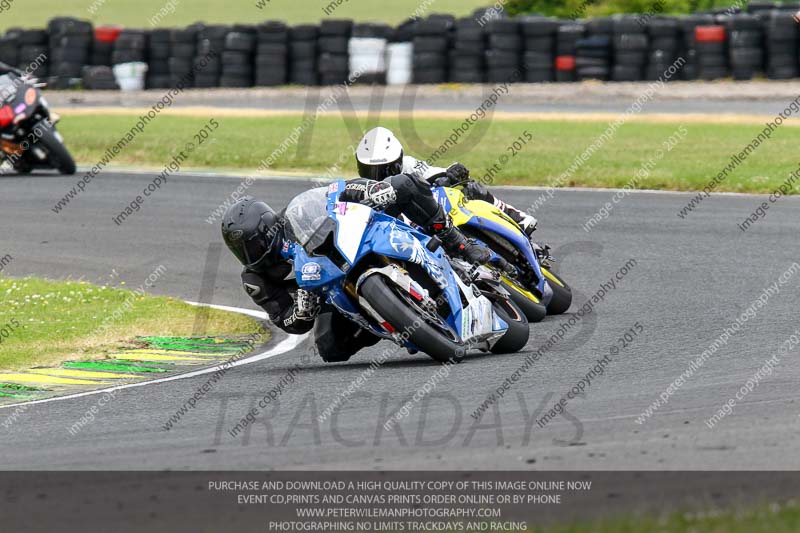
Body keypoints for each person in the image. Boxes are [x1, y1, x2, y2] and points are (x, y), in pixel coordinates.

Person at [220, 173, 491, 363]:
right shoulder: (255, 278)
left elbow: (338, 190)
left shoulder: (293, 217)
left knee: (403, 185)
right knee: (329, 347)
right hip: (328, 291)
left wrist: (370, 190)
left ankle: (456, 241)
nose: (249, 255)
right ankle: (396, 319)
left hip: (355, 244)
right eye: (241, 251)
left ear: (268, 229)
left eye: (253, 245)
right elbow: (285, 320)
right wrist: (302, 311)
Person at [355, 126, 539, 237]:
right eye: (369, 170)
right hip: (403, 234)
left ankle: (516, 218)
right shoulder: (360, 188)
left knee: (471, 189)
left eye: (385, 169)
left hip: (430, 213)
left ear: (399, 161)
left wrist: (453, 173)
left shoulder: (410, 165)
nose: (377, 176)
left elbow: (439, 173)